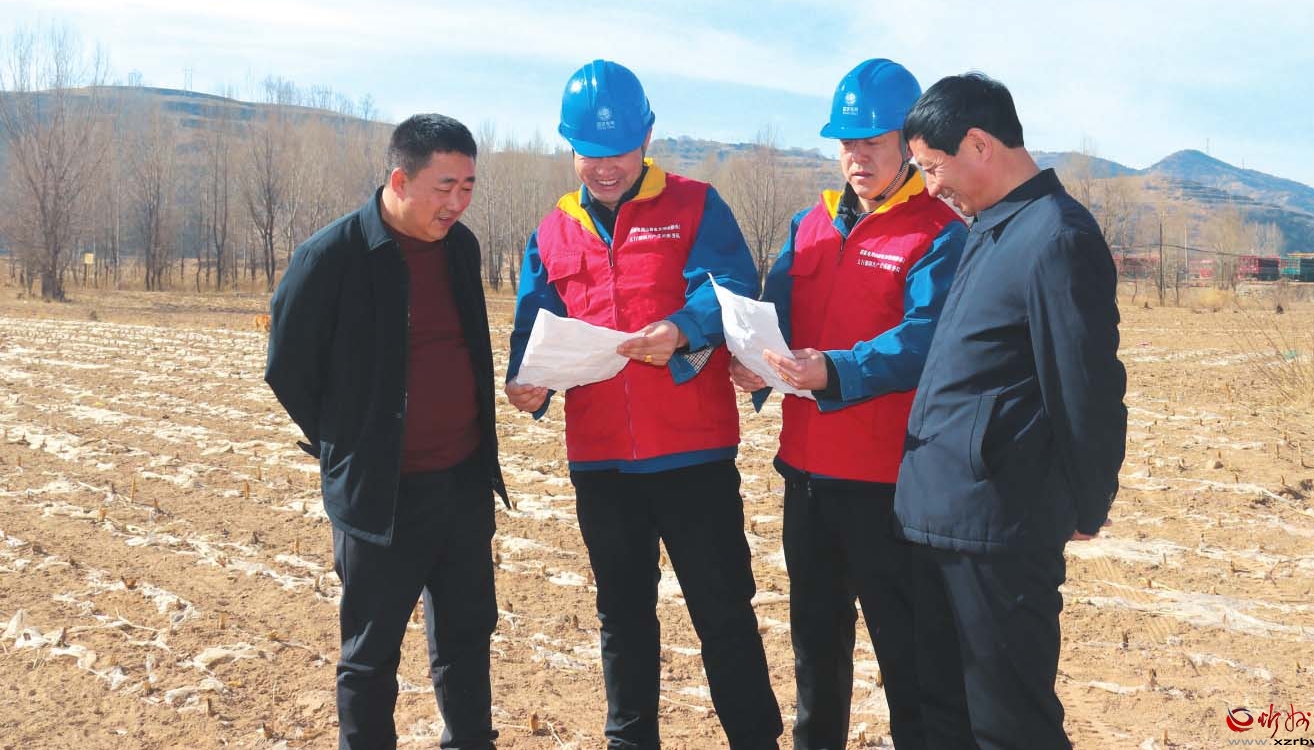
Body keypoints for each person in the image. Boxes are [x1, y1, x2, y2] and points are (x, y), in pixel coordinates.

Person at [505, 59, 782, 750]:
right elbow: (531, 325)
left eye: (619, 150)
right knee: (622, 619)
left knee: (723, 613)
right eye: (589, 153)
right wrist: (526, 384)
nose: (604, 167)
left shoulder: (695, 204)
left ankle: (755, 739)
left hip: (693, 454)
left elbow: (730, 286)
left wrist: (682, 329)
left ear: (647, 138)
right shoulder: (551, 230)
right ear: (569, 146)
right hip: (601, 463)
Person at [729, 58, 971, 749]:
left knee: (908, 655)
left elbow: (924, 339)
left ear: (908, 143)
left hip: (885, 483)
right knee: (814, 646)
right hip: (805, 474)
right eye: (846, 143)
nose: (856, 157)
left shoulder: (938, 232)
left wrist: (833, 370)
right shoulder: (807, 224)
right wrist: (755, 364)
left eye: (872, 142)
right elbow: (776, 315)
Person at [894, 73, 1128, 749]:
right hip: (940, 518)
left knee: (1009, 725)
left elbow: (1084, 389)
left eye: (932, 168)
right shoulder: (993, 227)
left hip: (997, 528)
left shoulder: (1055, 237)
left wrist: (1086, 503)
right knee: (943, 714)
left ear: (978, 144)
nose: (929, 188)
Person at [266, 114, 508, 750]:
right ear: (400, 180)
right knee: (370, 657)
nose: (458, 202)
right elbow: (287, 369)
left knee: (466, 641)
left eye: (468, 186)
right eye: (444, 186)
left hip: (462, 485)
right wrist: (350, 442)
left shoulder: (461, 247)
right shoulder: (331, 257)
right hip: (382, 497)